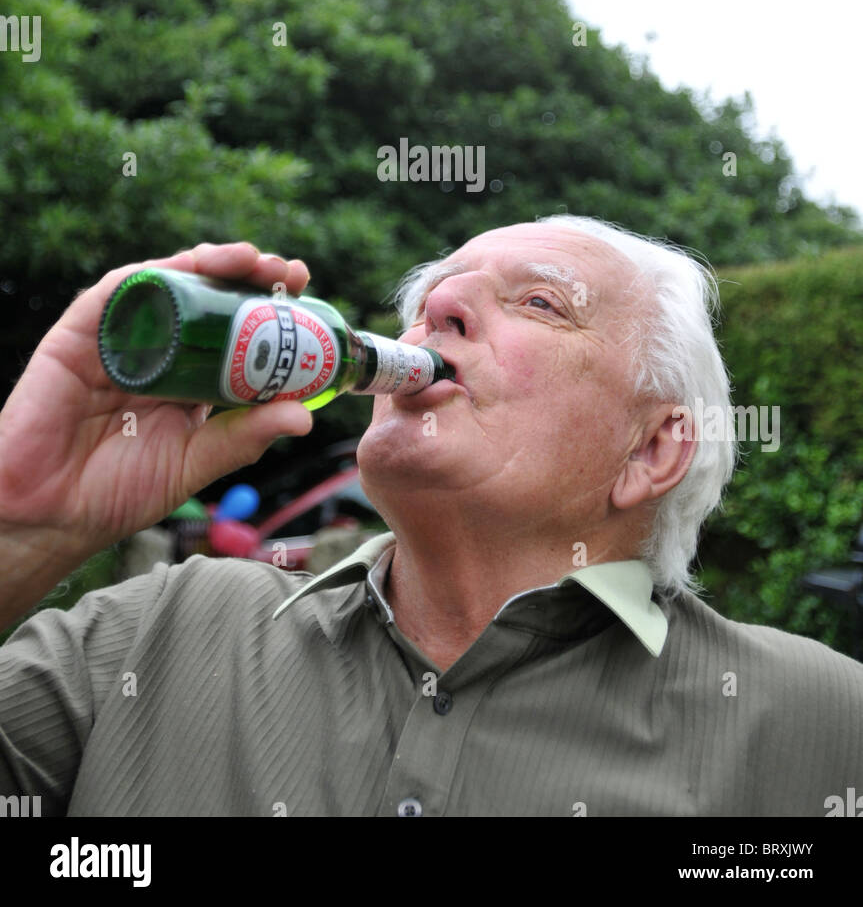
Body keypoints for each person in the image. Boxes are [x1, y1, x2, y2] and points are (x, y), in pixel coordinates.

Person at [0, 218, 860, 817]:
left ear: (650, 451)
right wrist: (22, 524)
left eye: (539, 304)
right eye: (433, 299)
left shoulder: (820, 723)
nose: (437, 313)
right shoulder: (157, 631)